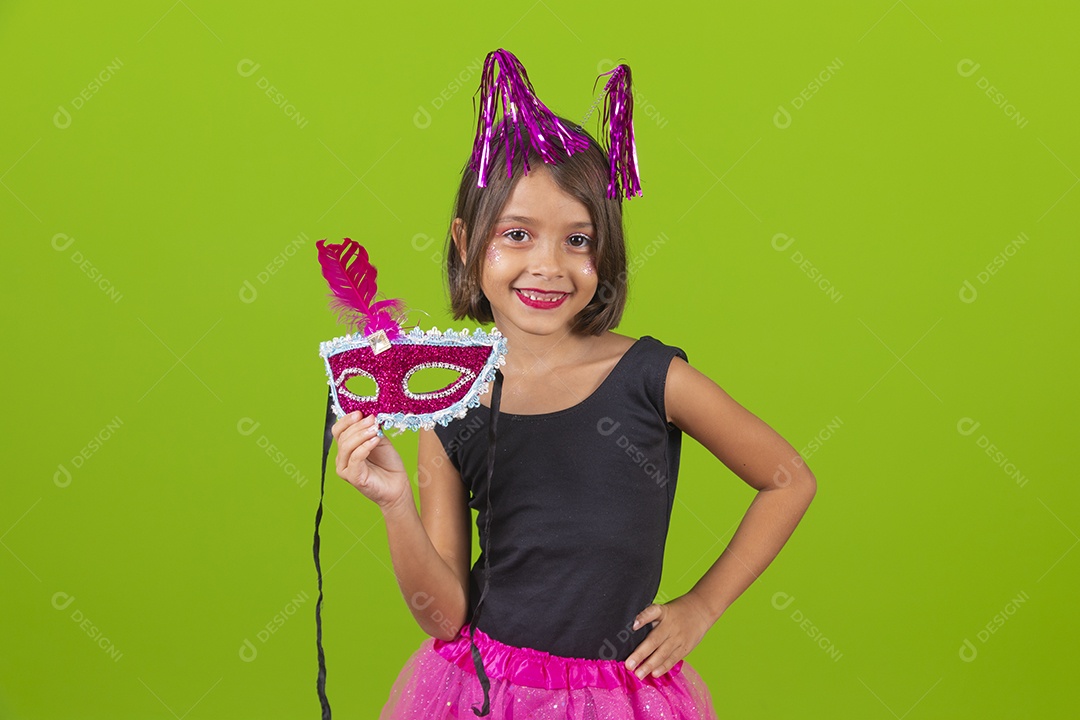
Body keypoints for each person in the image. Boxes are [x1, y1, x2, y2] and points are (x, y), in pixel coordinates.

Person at [330, 49, 816, 720]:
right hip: (485, 693)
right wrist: (393, 504)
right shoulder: (451, 406)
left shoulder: (652, 379)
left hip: (618, 696)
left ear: (604, 249)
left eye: (578, 240)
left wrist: (702, 606)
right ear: (467, 243)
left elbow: (788, 480)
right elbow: (444, 618)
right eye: (517, 234)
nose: (548, 265)